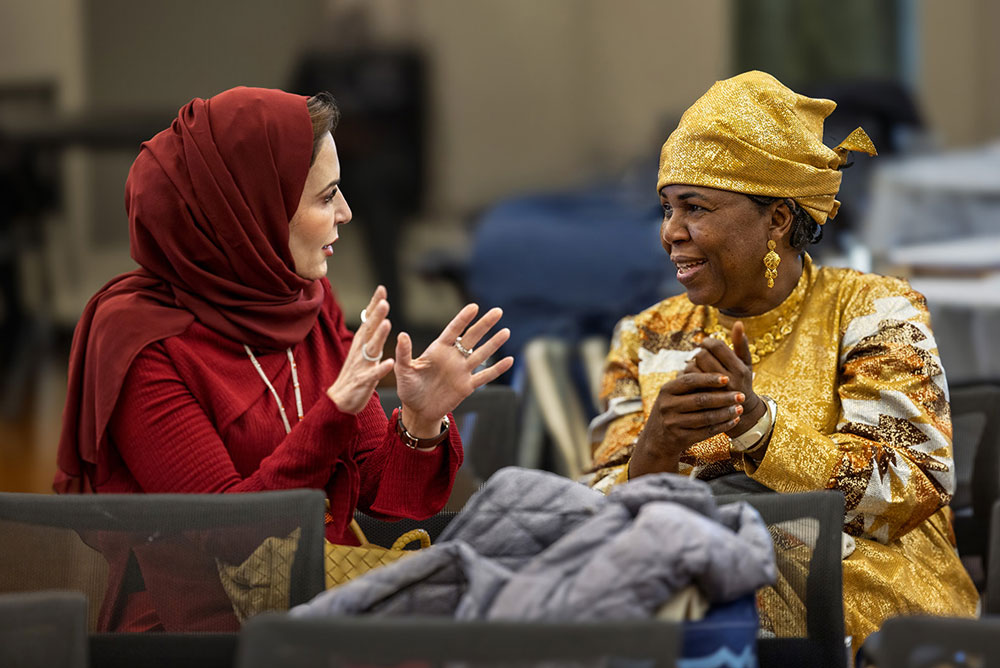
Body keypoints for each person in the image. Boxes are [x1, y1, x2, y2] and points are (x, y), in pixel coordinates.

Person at [54, 86, 512, 630]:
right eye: (326, 197)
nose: (345, 212)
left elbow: (384, 504)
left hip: (325, 608)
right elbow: (228, 537)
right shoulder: (138, 344)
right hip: (200, 639)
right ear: (249, 213)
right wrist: (333, 413)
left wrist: (420, 421)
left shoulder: (304, 303)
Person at [586, 71, 977, 652]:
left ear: (777, 220)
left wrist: (760, 430)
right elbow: (598, 518)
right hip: (689, 594)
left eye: (695, 207)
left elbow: (912, 487)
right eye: (667, 208)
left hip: (860, 603)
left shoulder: (871, 311)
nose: (671, 233)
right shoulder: (649, 335)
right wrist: (656, 450)